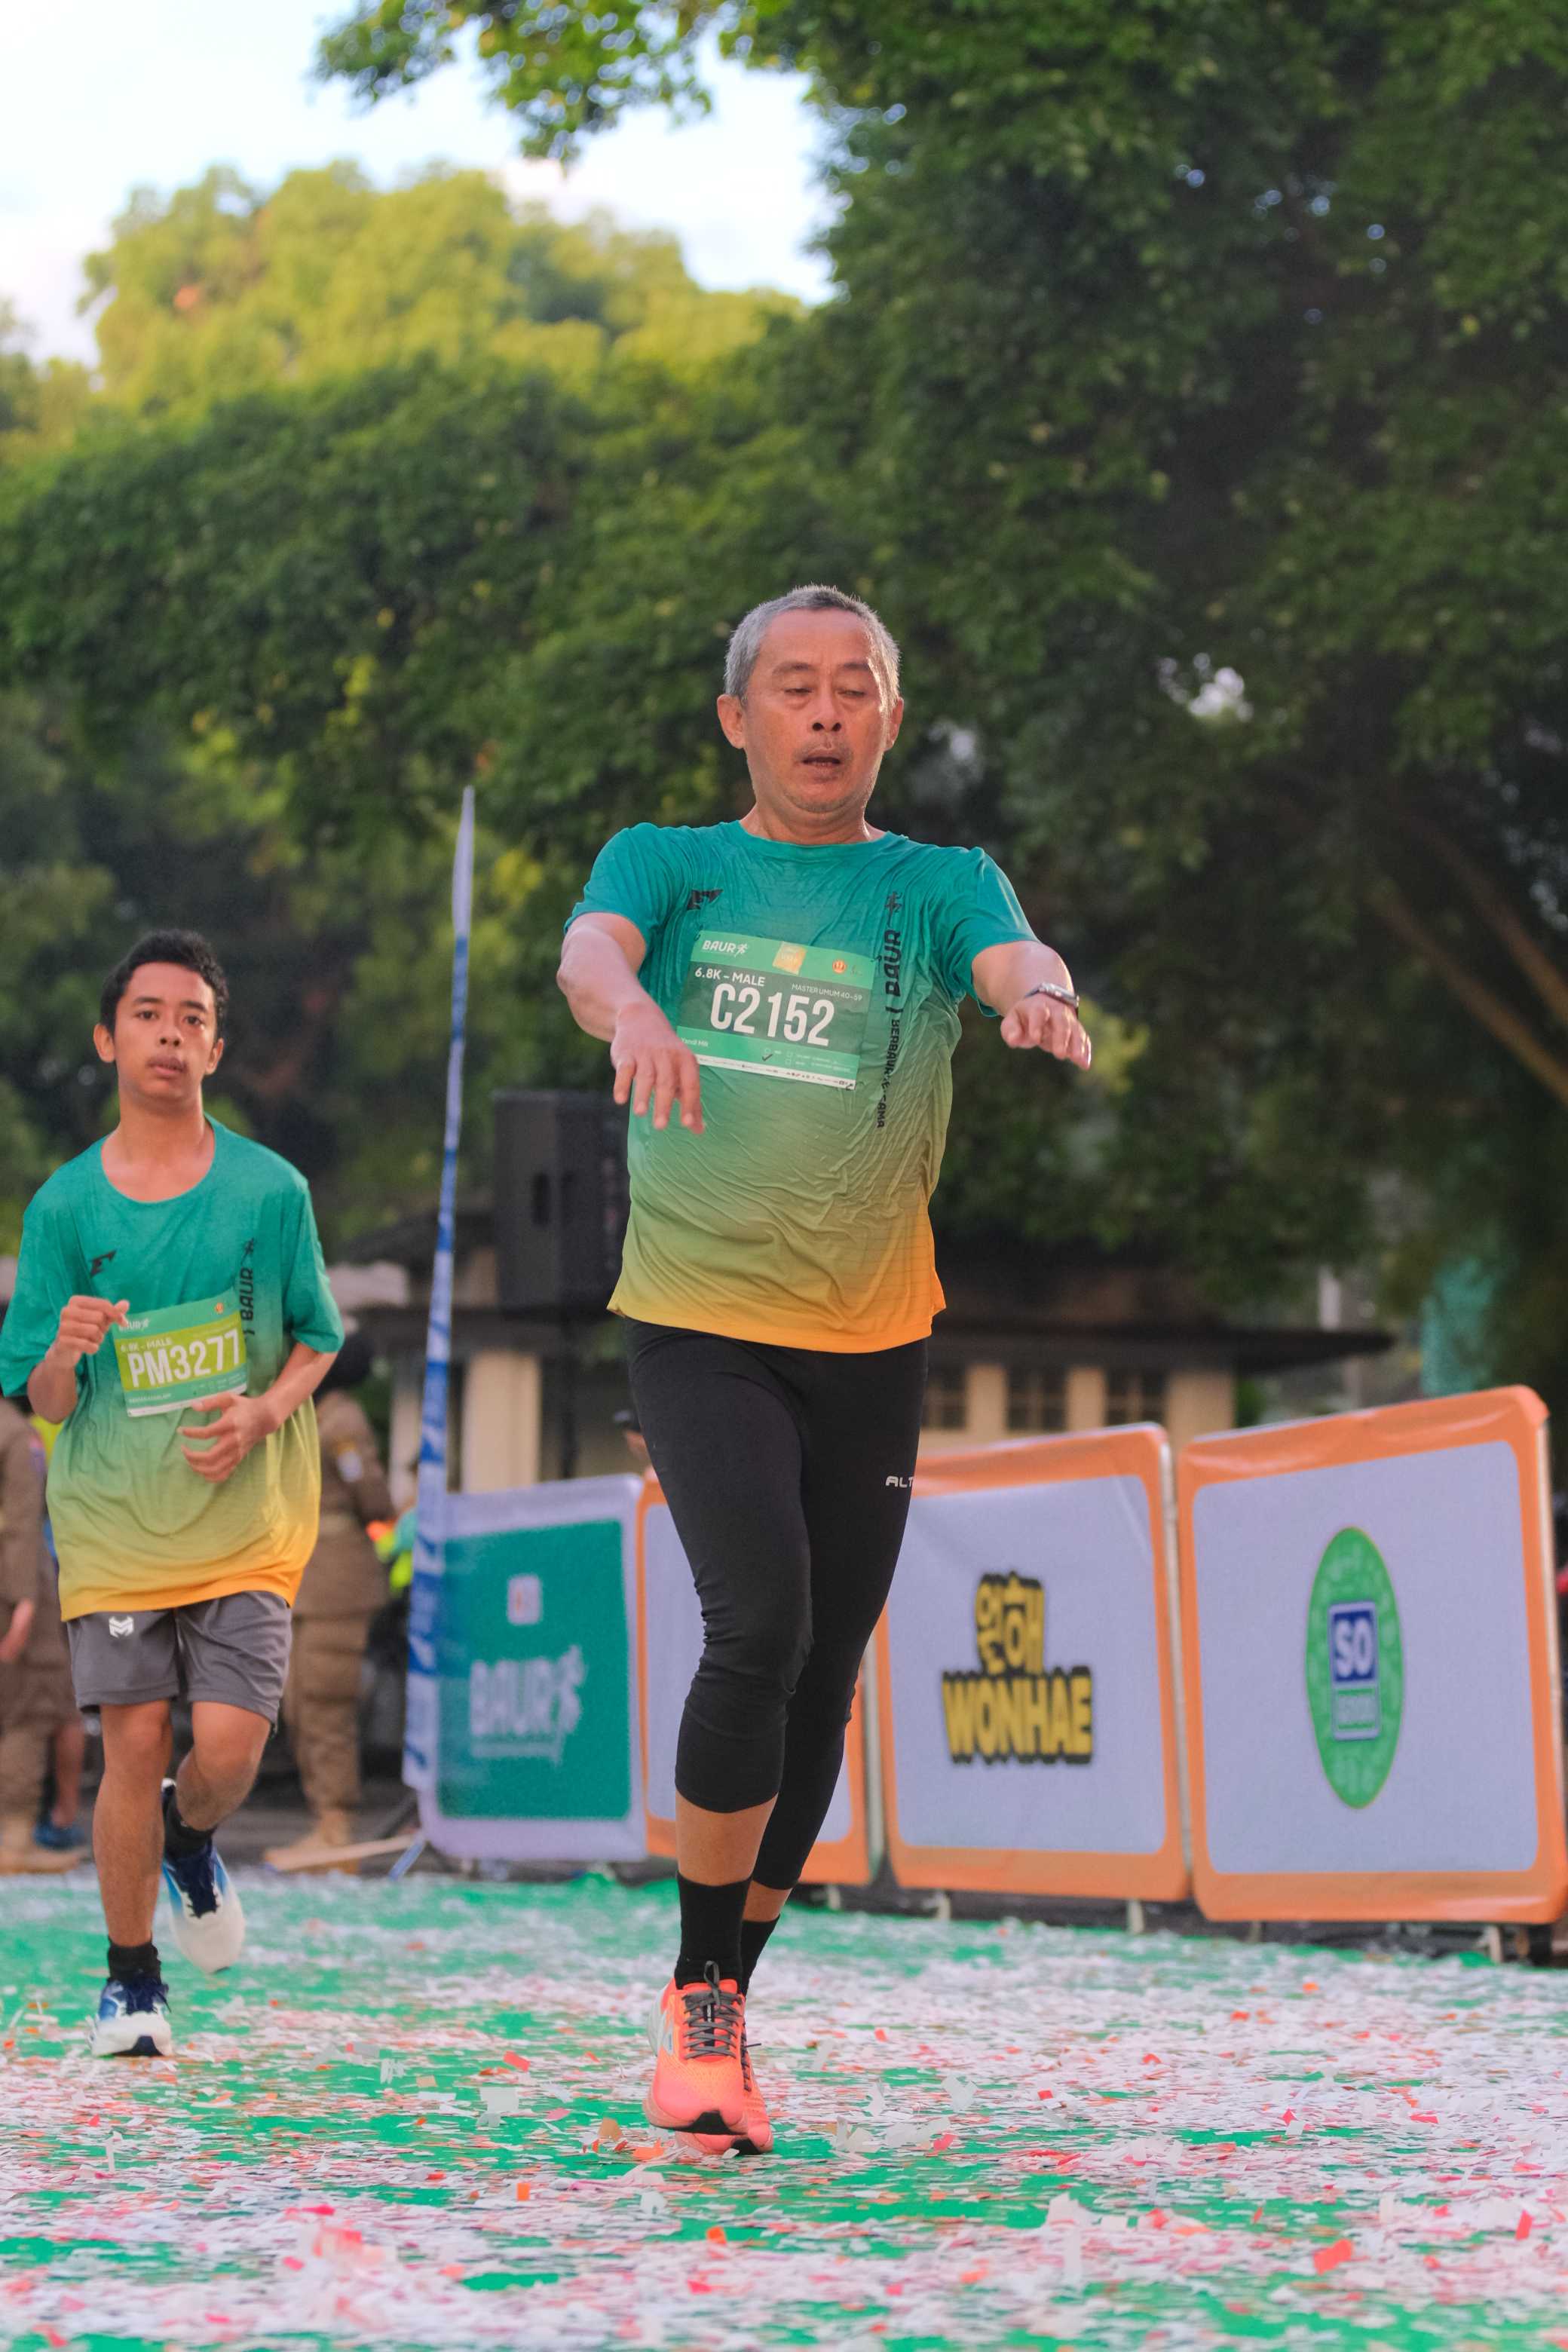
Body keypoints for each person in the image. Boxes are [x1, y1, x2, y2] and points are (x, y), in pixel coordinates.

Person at [557, 583, 1091, 2152]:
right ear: (739, 717)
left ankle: (720, 1990)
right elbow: (589, 953)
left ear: (889, 718)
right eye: (792, 687)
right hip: (699, 1317)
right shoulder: (669, 864)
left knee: (823, 1679)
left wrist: (1040, 997)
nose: (823, 712)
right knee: (761, 1621)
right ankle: (699, 2001)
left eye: (853, 687)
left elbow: (1012, 953)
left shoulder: (933, 885)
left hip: (872, 1334)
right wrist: (632, 1007)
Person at [0, 929, 343, 2057]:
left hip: (246, 1520)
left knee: (230, 1750)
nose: (170, 1034)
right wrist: (65, 1348)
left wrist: (261, 1412)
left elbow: (318, 1338)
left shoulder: (271, 1190)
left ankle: (189, 1840)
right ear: (108, 1040)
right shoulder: (63, 1210)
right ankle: (132, 1981)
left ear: (216, 1047)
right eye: (148, 1014)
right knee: (132, 1744)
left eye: (193, 1018)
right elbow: (42, 1393)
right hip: (114, 1525)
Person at [265, 1328, 393, 1869]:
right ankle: (324, 1822)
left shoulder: (343, 1422)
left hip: (337, 1583)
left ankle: (337, 1827)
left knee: (325, 1704)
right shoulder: (311, 1414)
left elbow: (372, 1498)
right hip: (304, 1582)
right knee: (299, 1705)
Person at [0, 1398, 81, 1874]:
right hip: (15, 1586)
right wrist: (25, 1598)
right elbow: (22, 1523)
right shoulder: (15, 1434)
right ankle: (14, 1835)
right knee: (30, 1707)